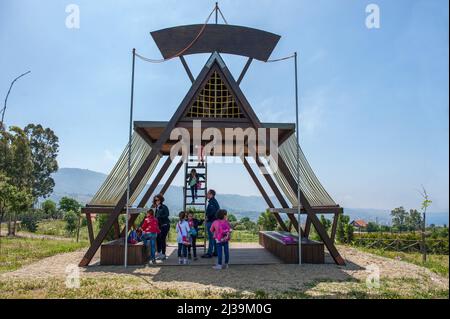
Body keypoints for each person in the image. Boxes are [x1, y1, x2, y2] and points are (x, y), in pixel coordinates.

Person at [202, 189, 220, 258]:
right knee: (214, 237)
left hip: (211, 222)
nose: (206, 195)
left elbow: (212, 212)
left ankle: (209, 253)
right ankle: (215, 252)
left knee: (211, 238)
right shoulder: (214, 202)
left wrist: (207, 218)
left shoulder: (212, 202)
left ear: (211, 194)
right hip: (215, 222)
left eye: (208, 194)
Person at [154, 194, 170, 260]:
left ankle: (163, 254)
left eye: (158, 200)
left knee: (162, 239)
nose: (157, 201)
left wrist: (159, 217)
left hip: (165, 225)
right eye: (155, 200)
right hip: (159, 226)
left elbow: (167, 215)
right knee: (158, 239)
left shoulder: (164, 207)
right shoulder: (156, 208)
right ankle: (159, 253)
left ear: (161, 200)